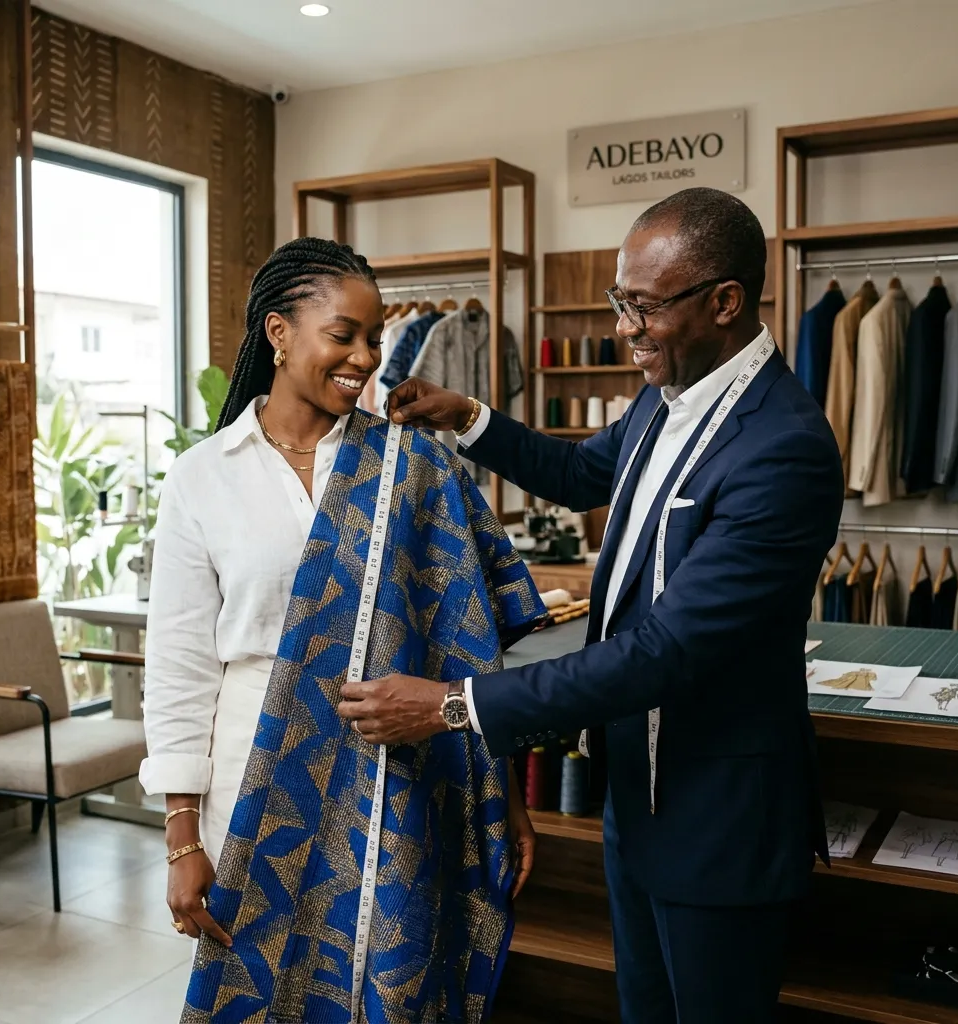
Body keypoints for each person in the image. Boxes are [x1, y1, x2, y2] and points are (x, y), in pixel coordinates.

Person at [337, 188, 846, 1023]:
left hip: (717, 820)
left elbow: (668, 652)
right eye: (620, 300)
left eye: (644, 306)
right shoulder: (664, 395)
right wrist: (467, 416)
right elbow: (579, 475)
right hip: (634, 802)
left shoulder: (783, 448)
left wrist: (451, 706)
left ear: (724, 302)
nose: (624, 327)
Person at [139, 237, 543, 1024]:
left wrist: (501, 794)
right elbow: (180, 667)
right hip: (258, 780)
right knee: (266, 990)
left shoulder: (411, 465)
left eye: (374, 337)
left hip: (399, 776)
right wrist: (182, 838)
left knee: (390, 984)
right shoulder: (204, 476)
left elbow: (466, 641)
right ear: (279, 332)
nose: (365, 357)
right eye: (344, 334)